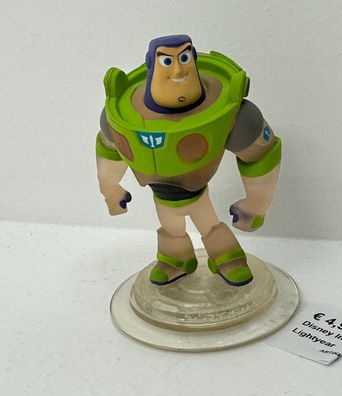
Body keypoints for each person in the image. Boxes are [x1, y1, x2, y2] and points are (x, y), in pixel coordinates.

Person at [96, 34, 281, 287]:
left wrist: (257, 203)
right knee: (171, 227)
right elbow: (109, 149)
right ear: (152, 63)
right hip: (161, 194)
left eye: (184, 58)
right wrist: (110, 187)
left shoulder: (233, 113)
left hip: (195, 190)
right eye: (167, 61)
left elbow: (263, 154)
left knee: (208, 225)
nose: (178, 71)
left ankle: (227, 257)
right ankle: (176, 259)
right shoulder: (120, 114)